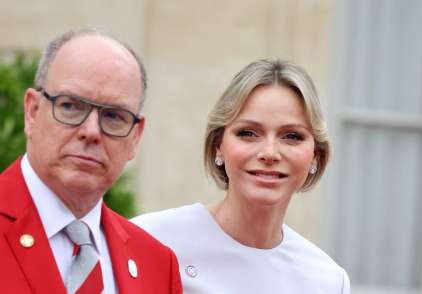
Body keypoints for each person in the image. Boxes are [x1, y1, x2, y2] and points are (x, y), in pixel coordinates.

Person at [133, 59, 350, 293]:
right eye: (248, 133)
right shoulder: (149, 240)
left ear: (315, 155)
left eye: (292, 136)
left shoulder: (327, 281)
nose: (269, 153)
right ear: (219, 145)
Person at [0, 29, 182, 294]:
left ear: (135, 136)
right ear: (32, 112)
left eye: (114, 116)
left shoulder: (157, 264)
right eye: (71, 106)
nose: (92, 131)